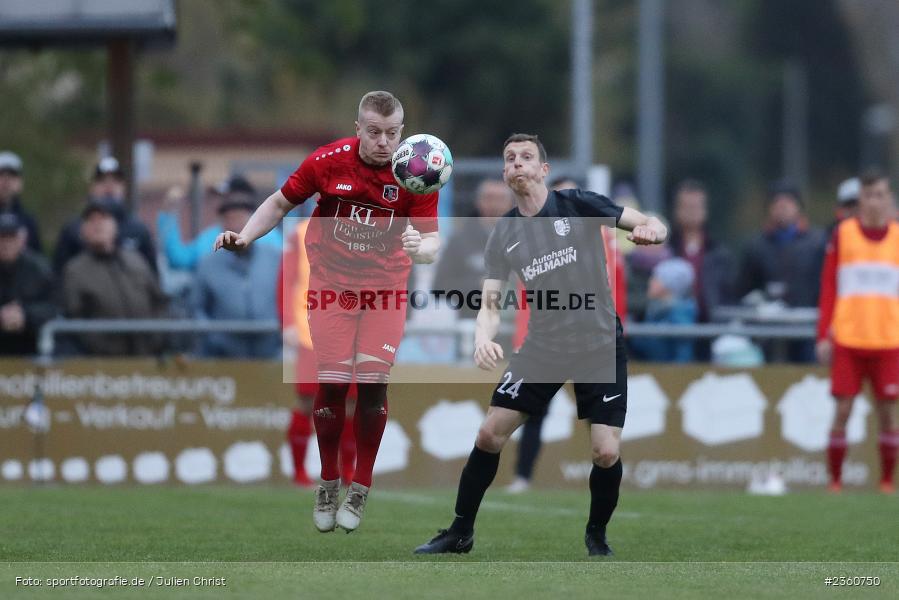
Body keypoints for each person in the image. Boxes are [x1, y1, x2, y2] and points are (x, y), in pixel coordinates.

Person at [413, 133, 666, 557]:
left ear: (543, 170)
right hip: (543, 346)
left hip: (598, 342)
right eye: (509, 158)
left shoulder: (578, 205)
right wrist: (481, 338)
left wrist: (652, 231)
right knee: (489, 433)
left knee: (605, 452)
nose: (516, 164)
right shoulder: (503, 234)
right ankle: (460, 531)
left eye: (526, 157)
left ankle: (597, 534)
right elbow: (490, 304)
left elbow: (646, 221)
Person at [214, 90, 440, 533]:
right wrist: (245, 236)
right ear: (358, 129)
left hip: (385, 289)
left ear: (402, 133)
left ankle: (361, 486)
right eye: (374, 132)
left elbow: (432, 241)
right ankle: (328, 480)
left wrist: (422, 247)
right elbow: (280, 203)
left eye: (392, 134)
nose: (383, 142)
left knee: (373, 382)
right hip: (332, 287)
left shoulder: (416, 172)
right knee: (333, 386)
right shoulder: (328, 162)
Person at [505, 174, 628, 494]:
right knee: (533, 413)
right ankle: (522, 477)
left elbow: (618, 293)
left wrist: (616, 335)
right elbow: (525, 301)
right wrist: (522, 340)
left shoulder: (601, 243)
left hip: (595, 342)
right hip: (548, 343)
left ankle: (604, 480)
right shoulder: (534, 248)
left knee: (600, 420)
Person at [817, 168, 899, 494]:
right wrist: (824, 334)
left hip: (889, 339)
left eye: (880, 194)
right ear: (860, 200)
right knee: (842, 410)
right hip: (849, 338)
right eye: (869, 195)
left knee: (888, 414)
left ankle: (886, 482)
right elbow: (828, 288)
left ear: (889, 198)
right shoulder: (843, 234)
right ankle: (834, 482)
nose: (875, 202)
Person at [279, 219, 357, 488]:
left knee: (350, 403)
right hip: (309, 328)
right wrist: (287, 321)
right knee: (308, 402)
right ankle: (300, 473)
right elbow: (287, 279)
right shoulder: (301, 232)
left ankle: (347, 472)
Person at [62, 200, 168, 355]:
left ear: (115, 226)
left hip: (147, 357)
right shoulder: (74, 271)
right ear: (83, 230)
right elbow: (73, 318)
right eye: (91, 220)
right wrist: (98, 348)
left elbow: (159, 302)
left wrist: (157, 340)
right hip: (102, 363)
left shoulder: (136, 261)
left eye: (104, 218)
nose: (98, 224)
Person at [737, 180, 826, 362]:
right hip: (767, 333)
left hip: (807, 329)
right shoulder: (756, 246)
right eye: (777, 203)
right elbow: (744, 287)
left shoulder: (817, 243)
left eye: (788, 202)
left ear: (798, 207)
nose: (782, 208)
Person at [192, 194, 282, 358]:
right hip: (225, 356)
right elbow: (197, 308)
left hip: (271, 352)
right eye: (229, 220)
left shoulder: (275, 258)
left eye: (241, 219)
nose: (235, 225)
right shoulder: (208, 264)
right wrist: (212, 337)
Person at [54, 157, 157, 275]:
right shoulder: (73, 230)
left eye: (116, 180)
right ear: (92, 187)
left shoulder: (139, 230)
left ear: (124, 187)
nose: (109, 186)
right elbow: (59, 275)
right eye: (102, 180)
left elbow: (152, 277)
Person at [158, 175, 283, 271]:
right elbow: (179, 260)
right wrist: (169, 213)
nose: (221, 202)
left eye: (225, 197)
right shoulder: (211, 236)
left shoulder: (269, 236)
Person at [432, 179, 513, 319]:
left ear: (512, 203)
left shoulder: (529, 239)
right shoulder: (460, 240)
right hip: (473, 328)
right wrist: (477, 285)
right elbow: (439, 287)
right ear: (478, 201)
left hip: (521, 331)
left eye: (501, 199)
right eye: (489, 198)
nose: (494, 205)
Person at [668, 179, 735, 325]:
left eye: (697, 206)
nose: (692, 211)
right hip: (673, 328)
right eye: (687, 206)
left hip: (711, 328)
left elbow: (729, 295)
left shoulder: (719, 253)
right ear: (677, 210)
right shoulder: (666, 250)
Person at [0, 213, 55, 355]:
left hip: (31, 347)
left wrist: (25, 315)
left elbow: (54, 307)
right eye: (1, 238)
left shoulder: (40, 269)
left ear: (21, 240)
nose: (5, 243)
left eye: (10, 238)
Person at [629, 257, 697, 362]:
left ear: (668, 285)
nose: (650, 282)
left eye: (656, 278)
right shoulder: (656, 309)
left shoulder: (680, 314)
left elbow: (683, 355)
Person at [0, 151, 43, 253]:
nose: (6, 181)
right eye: (1, 175)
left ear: (20, 182)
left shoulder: (29, 222)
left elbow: (38, 259)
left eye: (12, 176)